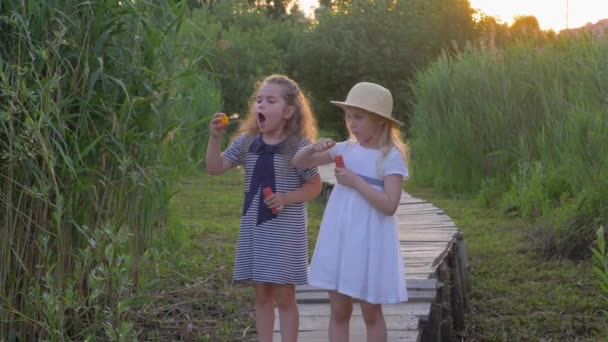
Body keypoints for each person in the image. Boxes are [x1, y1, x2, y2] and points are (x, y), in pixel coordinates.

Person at [206, 74, 322, 342]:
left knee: (284, 295)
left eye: (271, 101)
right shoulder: (247, 142)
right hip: (256, 231)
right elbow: (215, 168)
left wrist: (285, 198)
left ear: (288, 111)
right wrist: (214, 138)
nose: (261, 105)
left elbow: (314, 186)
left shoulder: (299, 147)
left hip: (285, 234)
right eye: (259, 100)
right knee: (262, 294)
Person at [292, 82, 409, 342]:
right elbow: (298, 163)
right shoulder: (345, 149)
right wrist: (313, 148)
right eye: (348, 116)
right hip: (341, 237)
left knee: (371, 312)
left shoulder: (390, 157)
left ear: (379, 121)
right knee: (339, 310)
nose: (351, 123)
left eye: (359, 117)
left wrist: (355, 181)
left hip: (369, 241)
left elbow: (390, 205)